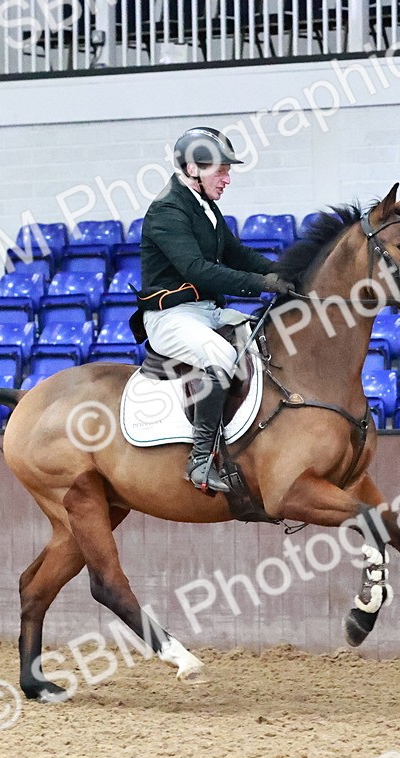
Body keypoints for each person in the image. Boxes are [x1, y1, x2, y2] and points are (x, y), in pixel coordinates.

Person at [136, 127, 294, 493]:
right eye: (220, 170)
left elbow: (236, 253)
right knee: (222, 356)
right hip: (171, 317)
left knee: (267, 335)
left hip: (206, 311)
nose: (227, 179)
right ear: (193, 169)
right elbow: (197, 269)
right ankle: (200, 460)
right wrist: (261, 284)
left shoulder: (204, 205)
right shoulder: (166, 210)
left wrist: (283, 274)